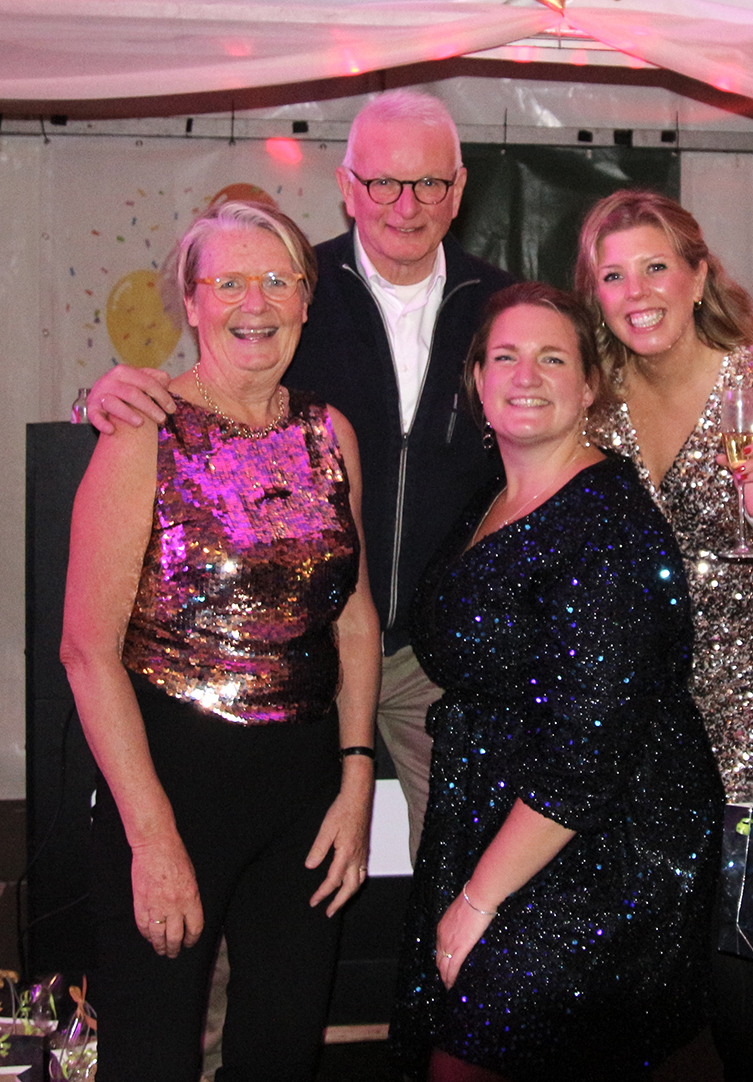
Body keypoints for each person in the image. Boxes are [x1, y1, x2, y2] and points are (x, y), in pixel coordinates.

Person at [85, 88, 515, 857]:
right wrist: (98, 398)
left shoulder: (505, 309)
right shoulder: (285, 286)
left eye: (428, 182)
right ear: (347, 186)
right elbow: (199, 400)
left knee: (465, 871)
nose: (405, 204)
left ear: (458, 190)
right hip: (304, 654)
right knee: (283, 860)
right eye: (383, 182)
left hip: (442, 656)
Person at [60, 201, 379, 1081]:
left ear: (306, 300)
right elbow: (85, 650)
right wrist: (151, 837)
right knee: (153, 1053)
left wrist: (356, 777)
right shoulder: (145, 430)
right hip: (171, 778)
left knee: (281, 1048)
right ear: (193, 302)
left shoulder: (330, 432)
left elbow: (354, 616)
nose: (256, 302)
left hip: (306, 787)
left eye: (278, 280)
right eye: (229, 282)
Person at [388, 283, 723, 1082]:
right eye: (505, 357)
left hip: (600, 846)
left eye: (551, 358)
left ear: (588, 386)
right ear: (477, 381)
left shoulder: (608, 522)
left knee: (472, 1054)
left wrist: (478, 898)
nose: (525, 375)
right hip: (499, 819)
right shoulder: (493, 496)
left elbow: (587, 755)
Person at [573, 189, 753, 1081]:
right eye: (613, 275)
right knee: (631, 934)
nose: (637, 291)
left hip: (749, 707)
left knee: (744, 944)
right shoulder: (591, 397)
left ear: (697, 275)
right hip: (629, 705)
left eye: (655, 267)